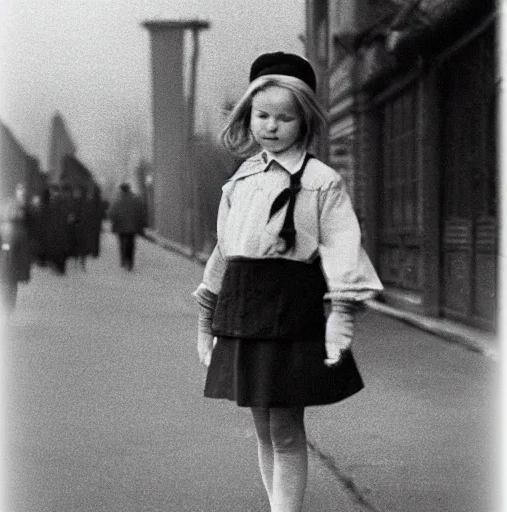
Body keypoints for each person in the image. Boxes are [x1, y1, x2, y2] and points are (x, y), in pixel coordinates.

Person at [193, 52, 383, 512]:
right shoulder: (241, 179)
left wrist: (341, 315)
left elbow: (342, 246)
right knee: (262, 426)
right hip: (241, 307)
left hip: (288, 309)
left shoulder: (322, 182)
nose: (271, 126)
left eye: (284, 118)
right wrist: (205, 318)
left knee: (285, 429)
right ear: (248, 116)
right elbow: (225, 250)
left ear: (305, 122)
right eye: (262, 115)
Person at [0, 183, 32, 311]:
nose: (23, 194)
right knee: (7, 278)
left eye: (24, 191)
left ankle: (8, 306)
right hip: (9, 246)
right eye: (21, 191)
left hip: (15, 248)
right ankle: (6, 306)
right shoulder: (11, 207)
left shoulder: (23, 207)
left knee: (11, 280)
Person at [108, 183, 146, 271]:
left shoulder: (117, 200)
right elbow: (141, 211)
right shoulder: (135, 199)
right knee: (131, 244)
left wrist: (114, 220)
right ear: (129, 189)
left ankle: (123, 259)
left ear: (121, 189)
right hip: (132, 226)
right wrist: (140, 222)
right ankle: (130, 262)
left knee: (122, 243)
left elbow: (111, 213)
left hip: (120, 226)